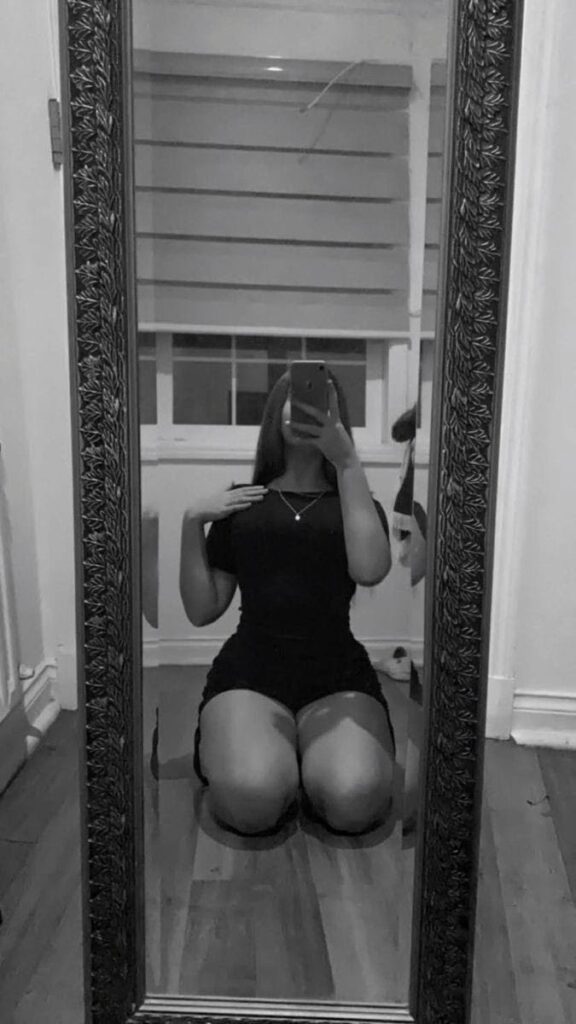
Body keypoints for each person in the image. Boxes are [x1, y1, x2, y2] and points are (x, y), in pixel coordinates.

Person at [179, 369, 396, 837]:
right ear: (276, 410)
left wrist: (348, 463)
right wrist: (191, 521)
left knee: (355, 800)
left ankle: (306, 761)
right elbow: (202, 610)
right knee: (251, 800)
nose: (306, 409)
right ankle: (284, 761)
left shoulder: (356, 502)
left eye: (321, 402)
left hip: (338, 676)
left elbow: (370, 570)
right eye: (296, 399)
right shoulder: (242, 503)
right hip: (250, 674)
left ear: (339, 418)